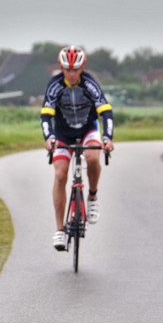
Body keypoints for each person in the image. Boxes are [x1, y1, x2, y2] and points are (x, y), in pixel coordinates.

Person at [41, 45, 114, 251]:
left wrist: (107, 138)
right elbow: (46, 115)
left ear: (82, 68)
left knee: (92, 158)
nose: (71, 74)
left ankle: (92, 196)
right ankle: (59, 230)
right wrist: (49, 137)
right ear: (61, 68)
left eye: (75, 70)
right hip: (63, 133)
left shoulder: (90, 83)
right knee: (60, 174)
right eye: (67, 70)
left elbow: (106, 112)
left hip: (88, 129)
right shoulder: (55, 85)